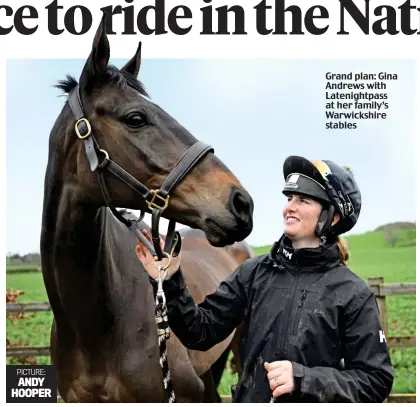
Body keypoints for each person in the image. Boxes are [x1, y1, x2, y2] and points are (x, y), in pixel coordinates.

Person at [136, 155, 394, 403]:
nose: (289, 207)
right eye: (290, 197)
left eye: (304, 200)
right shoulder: (254, 273)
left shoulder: (353, 294)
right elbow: (200, 332)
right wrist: (169, 279)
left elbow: (376, 380)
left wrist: (304, 379)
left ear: (333, 217)